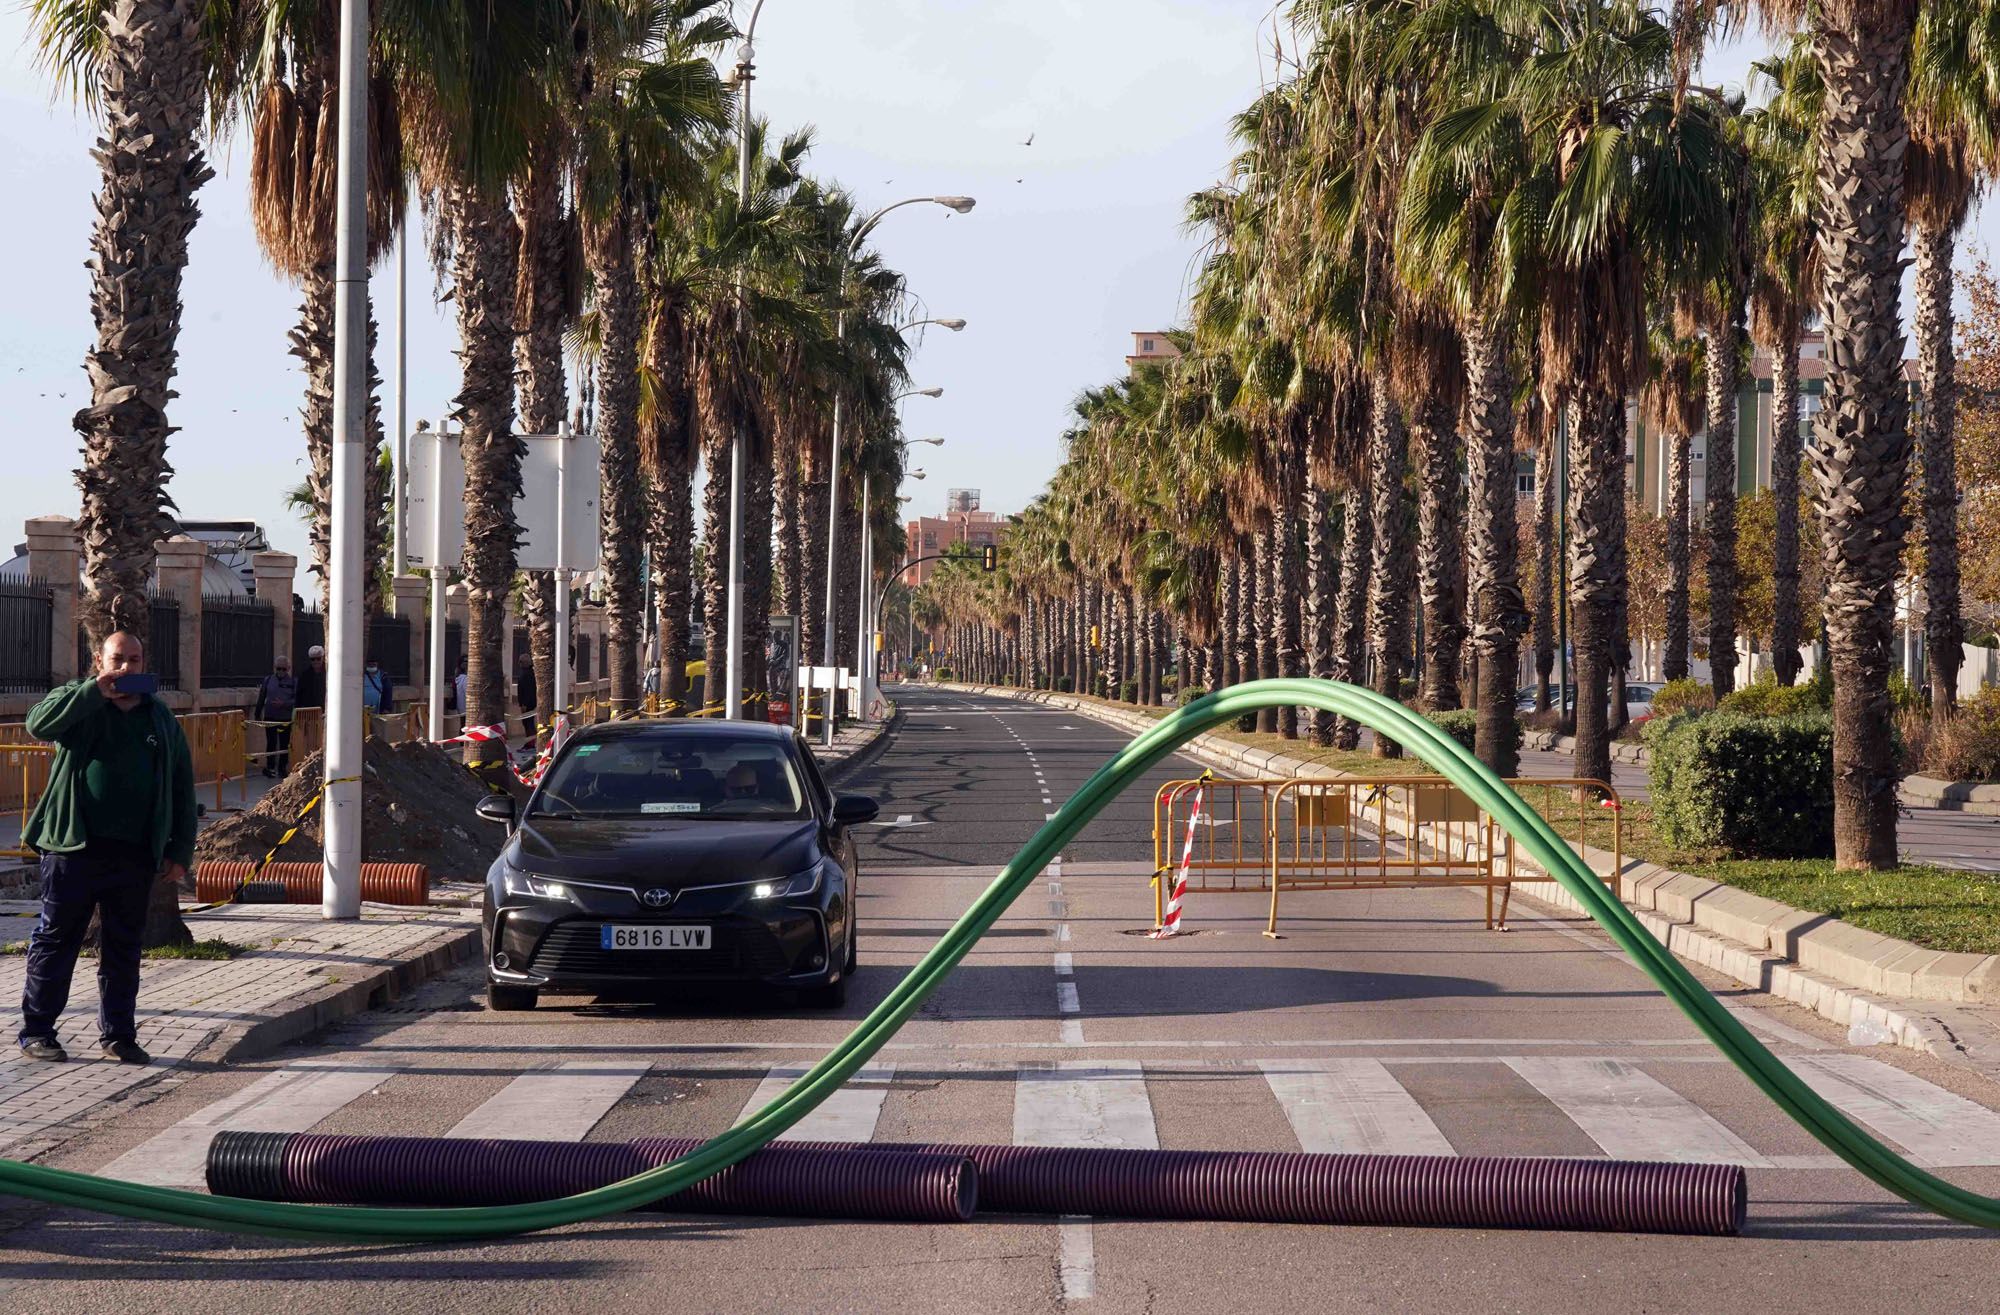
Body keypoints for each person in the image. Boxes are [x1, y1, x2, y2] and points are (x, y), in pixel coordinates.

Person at [16, 632, 198, 1065]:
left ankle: (119, 1034)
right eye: (118, 660)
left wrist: (180, 849)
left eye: (135, 660)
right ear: (99, 659)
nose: (127, 669)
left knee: (123, 946)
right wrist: (95, 690)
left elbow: (181, 785)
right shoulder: (78, 702)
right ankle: (38, 1031)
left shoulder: (158, 718)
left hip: (134, 854)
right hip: (72, 848)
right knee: (57, 939)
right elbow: (38, 724)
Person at [253, 655, 298, 778]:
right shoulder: (268, 680)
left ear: (288, 668)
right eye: (279, 669)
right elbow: (262, 697)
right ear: (275, 668)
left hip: (285, 718)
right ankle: (270, 767)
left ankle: (282, 768)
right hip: (270, 716)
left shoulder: (293, 682)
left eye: (284, 669)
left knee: (284, 744)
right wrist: (257, 713)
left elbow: (296, 700)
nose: (281, 671)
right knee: (271, 743)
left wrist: (284, 704)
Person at [295, 644, 327, 712]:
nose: (316, 661)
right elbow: (299, 695)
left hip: (325, 710)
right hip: (309, 712)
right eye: (313, 659)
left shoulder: (328, 674)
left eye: (318, 659)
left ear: (322, 658)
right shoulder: (305, 675)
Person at [515, 661, 538, 744]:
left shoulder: (525, 674)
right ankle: (531, 742)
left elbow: (525, 690)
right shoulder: (532, 673)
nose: (519, 664)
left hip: (527, 703)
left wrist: (523, 704)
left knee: (528, 723)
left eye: (520, 661)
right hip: (532, 702)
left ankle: (531, 743)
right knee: (529, 722)